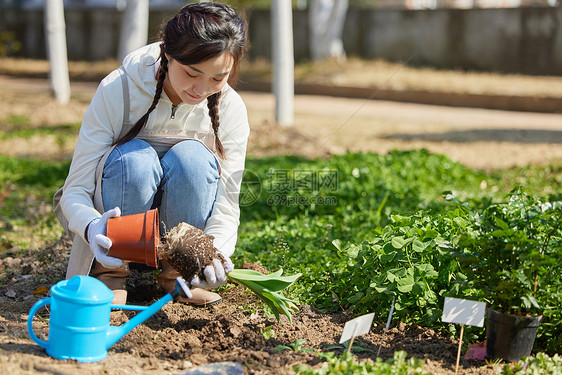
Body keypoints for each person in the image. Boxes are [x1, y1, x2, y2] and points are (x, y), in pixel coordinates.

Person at [55, 2, 249, 306]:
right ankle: (110, 274)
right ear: (168, 55)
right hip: (116, 233)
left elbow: (227, 201)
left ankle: (177, 277)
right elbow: (75, 190)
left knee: (194, 161)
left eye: (217, 78)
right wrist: (93, 227)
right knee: (136, 161)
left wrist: (218, 251)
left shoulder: (230, 108)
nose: (200, 89)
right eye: (191, 73)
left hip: (176, 237)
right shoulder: (119, 89)